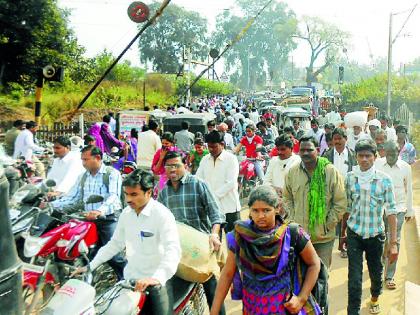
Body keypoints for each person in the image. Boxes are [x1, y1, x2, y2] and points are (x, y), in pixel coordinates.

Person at [73, 169, 181, 315]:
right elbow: (115, 244)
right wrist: (90, 266)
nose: (128, 199)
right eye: (126, 194)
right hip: (130, 281)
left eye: (134, 194)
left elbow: (173, 250)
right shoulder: (126, 214)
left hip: (157, 282)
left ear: (148, 192)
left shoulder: (162, 215)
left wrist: (156, 278)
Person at [210, 185, 321, 315]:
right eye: (255, 210)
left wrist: (301, 299)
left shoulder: (292, 234)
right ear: (250, 211)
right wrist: (214, 311)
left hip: (284, 308)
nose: (261, 216)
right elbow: (228, 273)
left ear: (277, 209)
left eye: (266, 210)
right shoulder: (241, 235)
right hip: (252, 307)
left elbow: (314, 263)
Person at [158, 151, 226, 314]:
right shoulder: (163, 192)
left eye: (176, 165)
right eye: (169, 166)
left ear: (185, 166)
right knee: (167, 289)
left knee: (211, 289)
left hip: (201, 246)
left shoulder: (198, 184)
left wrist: (214, 235)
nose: (172, 169)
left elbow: (216, 214)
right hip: (177, 249)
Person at [51, 145, 126, 279]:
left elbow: (113, 197)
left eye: (86, 159)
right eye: (82, 160)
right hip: (87, 219)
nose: (83, 163)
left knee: (113, 255)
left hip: (107, 219)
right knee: (71, 246)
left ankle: (126, 280)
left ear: (97, 158)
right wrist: (51, 205)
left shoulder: (111, 174)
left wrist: (99, 210)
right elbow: (72, 197)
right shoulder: (83, 176)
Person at [342, 139, 398, 315]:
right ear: (356, 157)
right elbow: (347, 208)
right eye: (361, 156)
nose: (364, 159)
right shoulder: (350, 178)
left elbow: (391, 212)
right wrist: (343, 234)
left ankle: (374, 298)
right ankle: (353, 311)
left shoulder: (384, 180)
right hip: (355, 234)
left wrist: (393, 242)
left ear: (375, 157)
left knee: (375, 273)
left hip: (376, 235)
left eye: (368, 156)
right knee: (354, 278)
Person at [283, 136, 347, 269]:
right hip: (299, 236)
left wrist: (328, 224)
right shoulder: (293, 172)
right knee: (300, 275)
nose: (305, 153)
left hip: (323, 237)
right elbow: (287, 199)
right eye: (302, 150)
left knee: (321, 274)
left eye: (309, 150)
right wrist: (292, 220)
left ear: (317, 150)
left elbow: (340, 201)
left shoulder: (330, 171)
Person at [376, 141, 413, 290]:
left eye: (394, 154)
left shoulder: (406, 167)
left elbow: (409, 189)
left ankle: (389, 276)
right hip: (381, 209)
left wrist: (409, 211)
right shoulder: (378, 164)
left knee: (394, 240)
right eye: (389, 153)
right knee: (380, 239)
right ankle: (378, 271)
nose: (391, 156)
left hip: (398, 208)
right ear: (384, 152)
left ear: (399, 153)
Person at [196, 131, 241, 233]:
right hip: (211, 209)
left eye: (214, 147)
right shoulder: (205, 159)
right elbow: (198, 179)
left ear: (222, 145)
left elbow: (231, 183)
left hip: (229, 207)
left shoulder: (231, 159)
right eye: (209, 147)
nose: (211, 150)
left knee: (234, 241)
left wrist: (212, 197)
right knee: (213, 240)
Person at [322, 128, 357, 258]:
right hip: (332, 193)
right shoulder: (327, 156)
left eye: (339, 138)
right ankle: (330, 247)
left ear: (345, 139)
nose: (337, 141)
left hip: (349, 192)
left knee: (347, 221)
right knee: (333, 220)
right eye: (335, 139)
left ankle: (345, 248)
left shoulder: (353, 155)